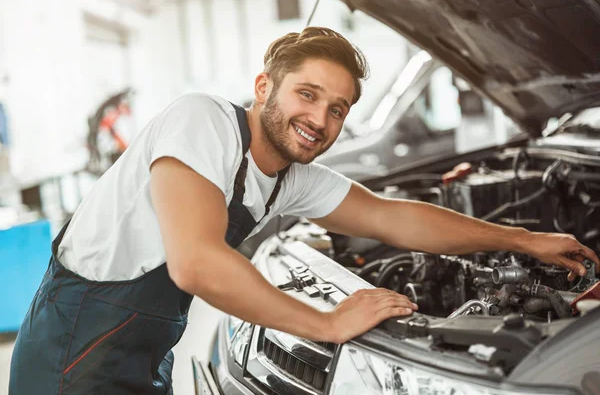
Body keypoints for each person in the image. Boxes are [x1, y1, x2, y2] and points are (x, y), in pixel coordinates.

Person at [9, 27, 599, 394]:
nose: (320, 120)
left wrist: (521, 240)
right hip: (71, 363)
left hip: (140, 360)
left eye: (338, 109)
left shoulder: (286, 177)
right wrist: (325, 322)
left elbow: (395, 217)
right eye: (308, 94)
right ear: (265, 86)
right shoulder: (202, 121)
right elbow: (194, 264)